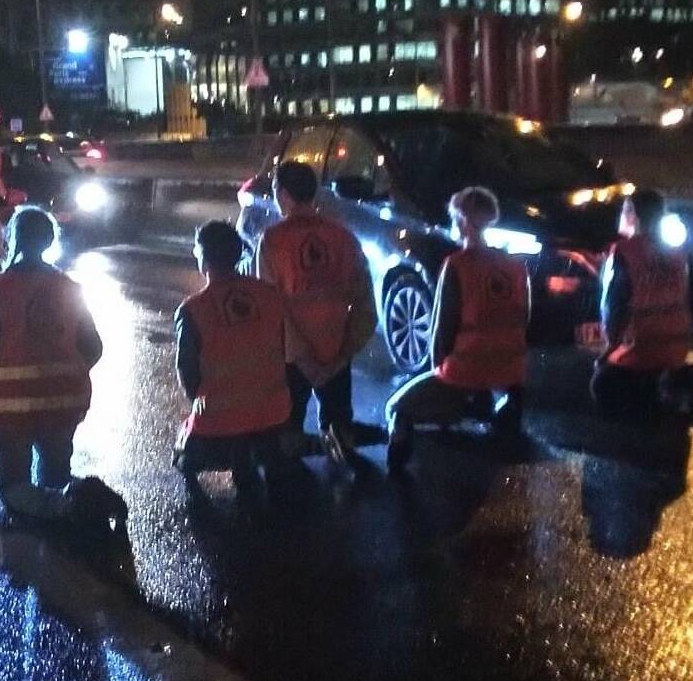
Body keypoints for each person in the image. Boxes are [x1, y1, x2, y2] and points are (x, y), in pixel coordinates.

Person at [0, 206, 103, 521]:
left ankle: (38, 515)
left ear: (11, 241)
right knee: (56, 476)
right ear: (49, 240)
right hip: (64, 403)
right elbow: (93, 347)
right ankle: (62, 509)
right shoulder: (70, 288)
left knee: (13, 489)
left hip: (9, 408)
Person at [386, 186, 530, 473]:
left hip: (467, 368)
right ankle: (489, 407)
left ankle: (398, 465)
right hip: (510, 369)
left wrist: (438, 367)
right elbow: (523, 316)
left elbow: (443, 329)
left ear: (462, 221)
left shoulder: (458, 265)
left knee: (396, 408)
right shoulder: (515, 265)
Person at [256, 161, 376, 462]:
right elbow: (365, 305)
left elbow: (272, 309)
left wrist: (305, 358)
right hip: (336, 353)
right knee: (340, 436)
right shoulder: (343, 238)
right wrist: (344, 352)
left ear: (283, 194)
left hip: (293, 360)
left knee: (286, 442)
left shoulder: (272, 241)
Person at [175, 221, 292, 500]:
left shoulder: (193, 309)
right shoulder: (270, 296)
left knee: (184, 455)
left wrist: (199, 403)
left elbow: (186, 370)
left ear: (203, 257)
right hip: (274, 411)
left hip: (218, 417)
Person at [591, 189, 693, 420]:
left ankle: (650, 394)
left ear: (633, 215)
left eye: (624, 211)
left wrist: (608, 350)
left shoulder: (624, 252)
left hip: (638, 350)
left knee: (601, 384)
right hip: (676, 349)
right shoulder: (679, 251)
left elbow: (613, 307)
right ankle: (673, 385)